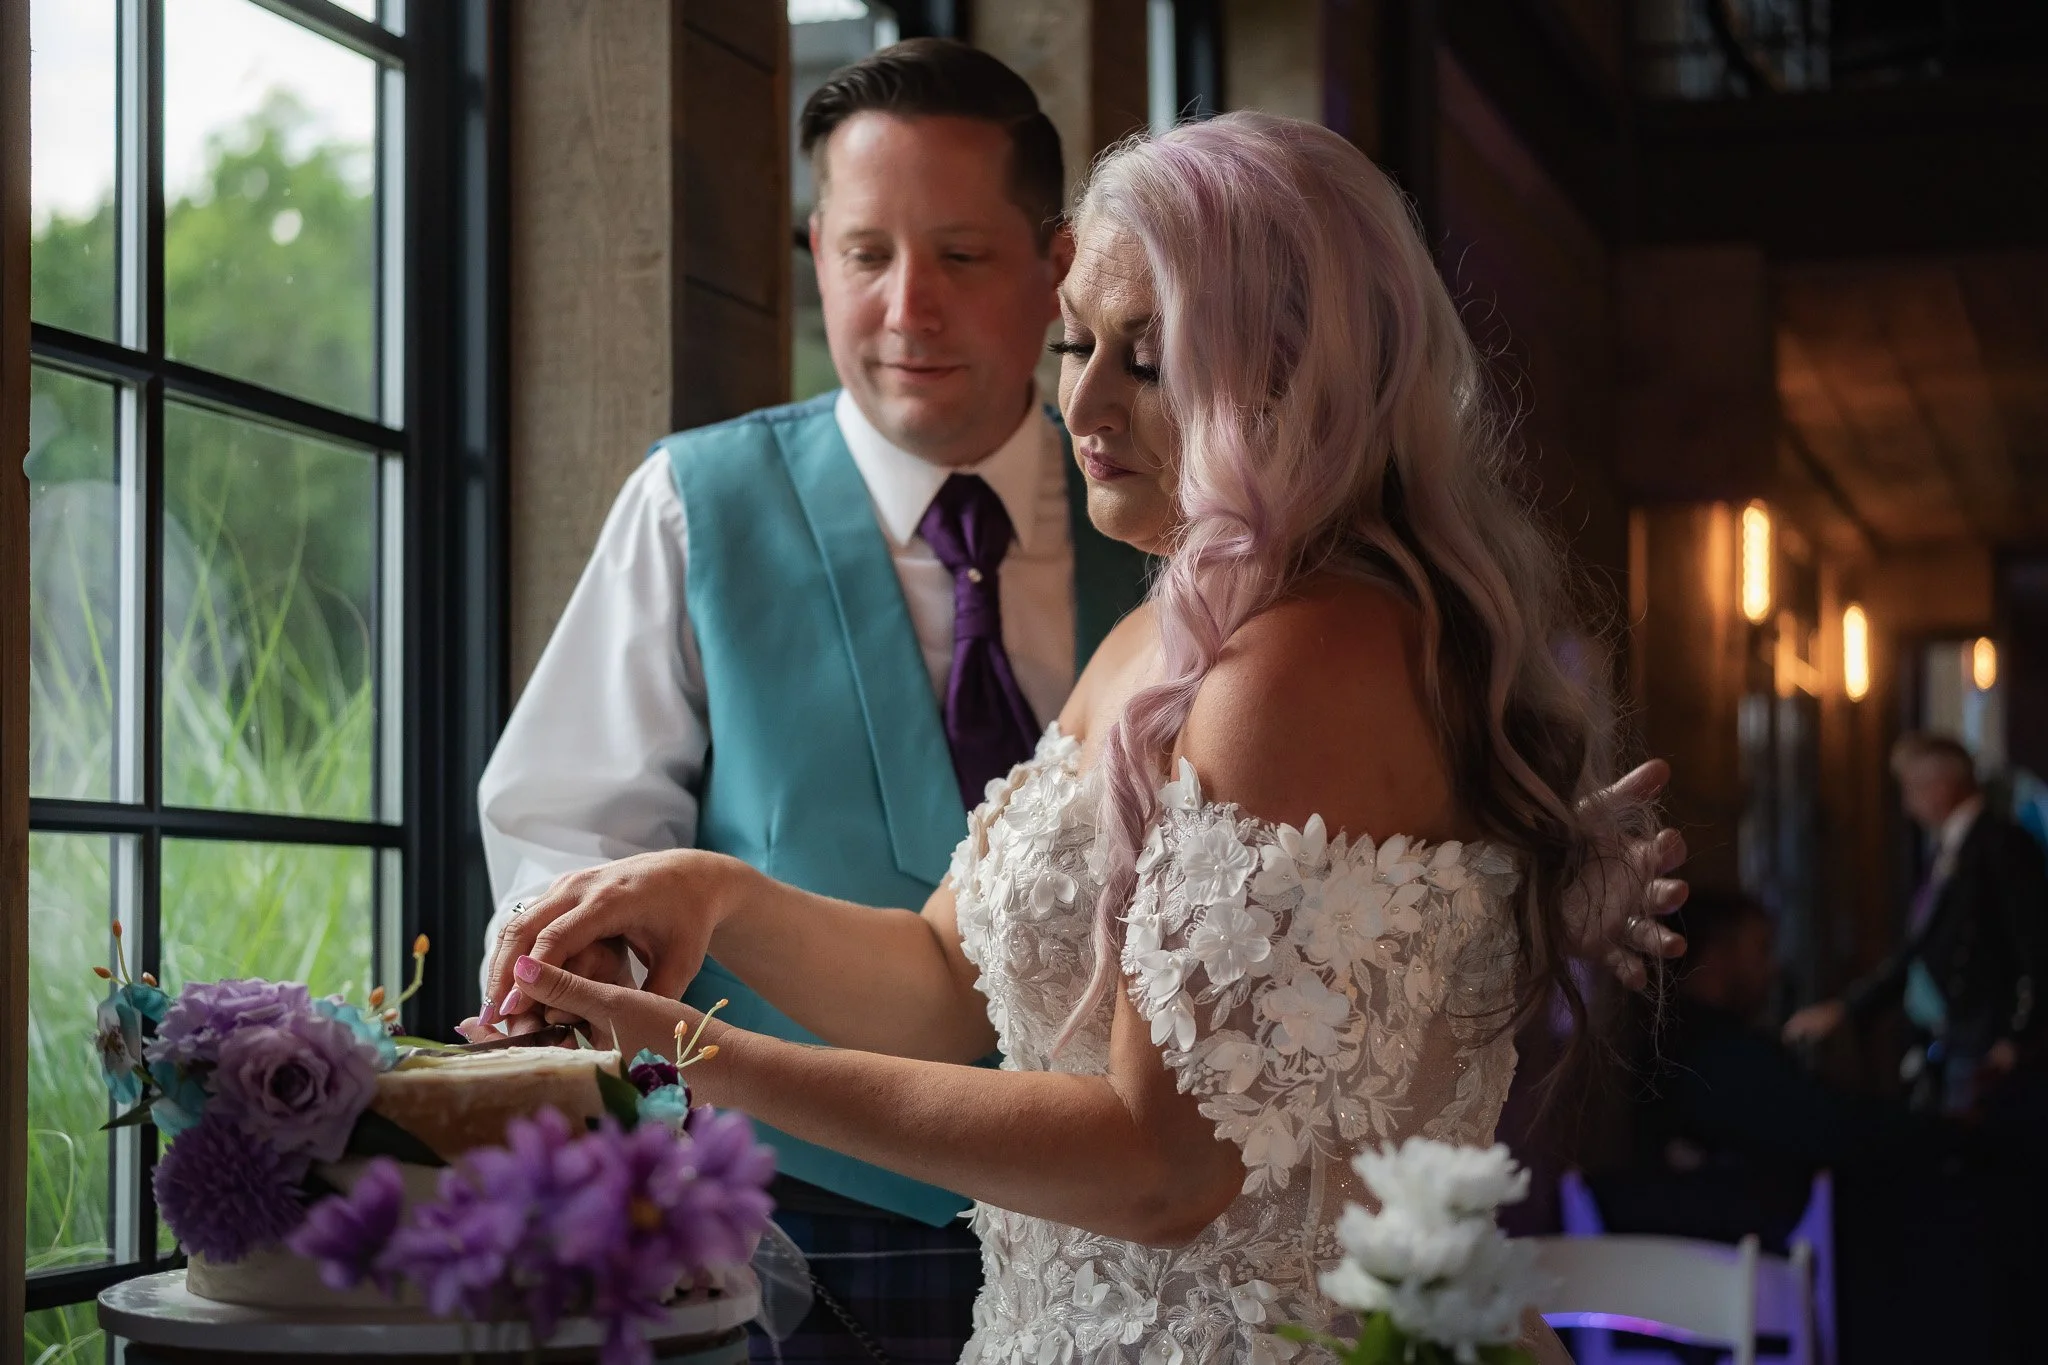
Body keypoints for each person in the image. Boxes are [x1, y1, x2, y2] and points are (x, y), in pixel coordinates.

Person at [475, 109, 1671, 1365]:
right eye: (1075, 342)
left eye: (1148, 360)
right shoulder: (1164, 634)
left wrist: (701, 1059)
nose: (1085, 402)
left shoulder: (1302, 662)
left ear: (1297, 368)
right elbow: (945, 985)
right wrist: (715, 896)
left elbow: (1160, 1169)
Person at [1785, 732, 2048, 1116]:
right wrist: (1850, 1008)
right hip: (1956, 1032)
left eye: (1912, 789)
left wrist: (2016, 1037)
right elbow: (1922, 944)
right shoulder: (1951, 848)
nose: (1908, 806)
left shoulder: (2002, 844)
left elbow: (2036, 946)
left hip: (1985, 1037)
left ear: (1941, 787)